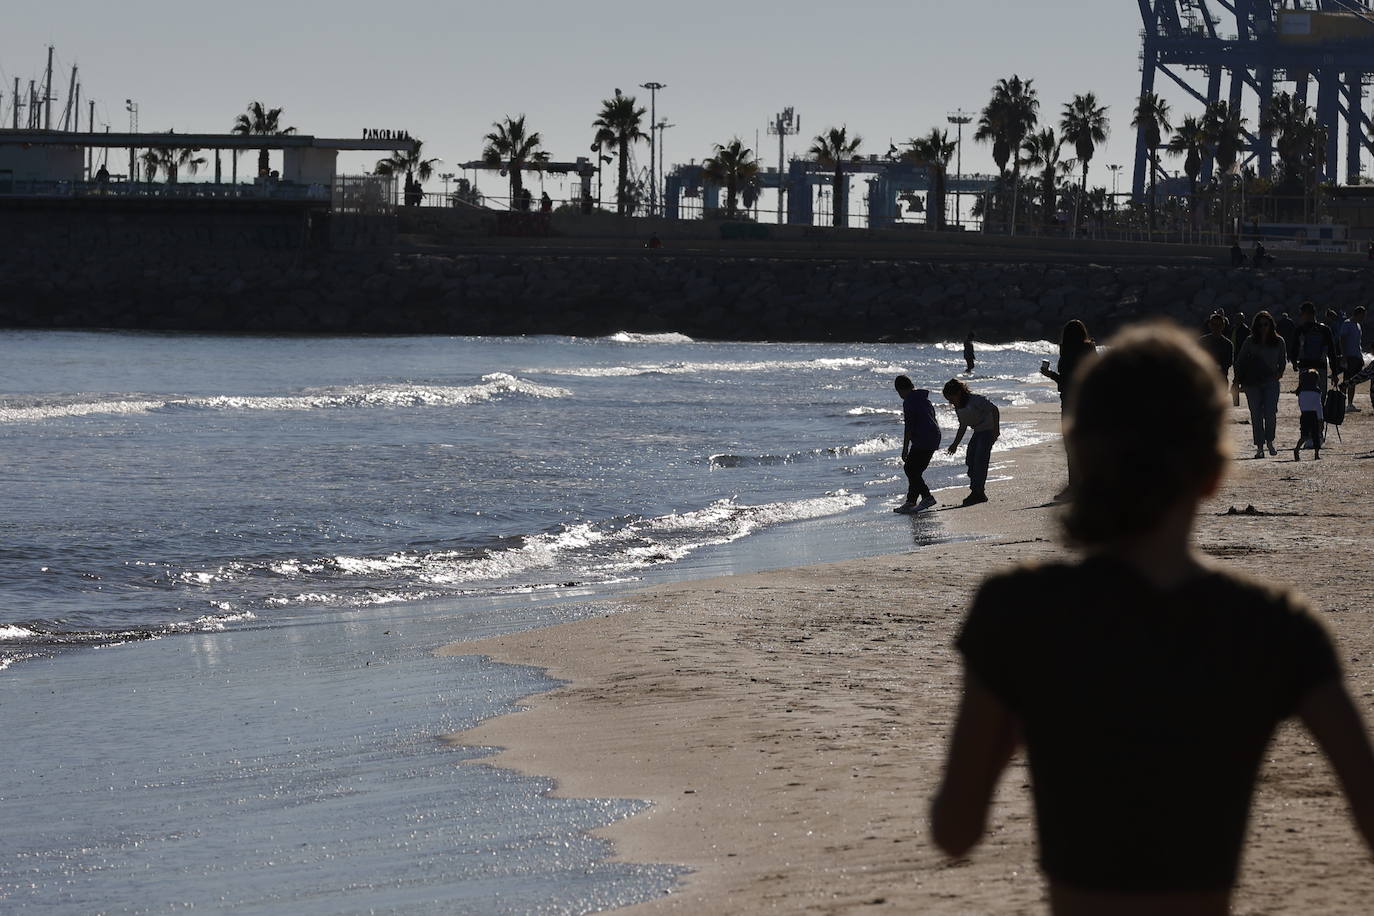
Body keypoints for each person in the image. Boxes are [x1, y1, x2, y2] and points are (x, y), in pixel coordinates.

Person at [930, 323, 1374, 915]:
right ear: (1214, 473)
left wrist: (1019, 719)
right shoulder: (1276, 627)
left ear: (1081, 454)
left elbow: (955, 830)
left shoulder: (1018, 612)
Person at [1040, 319, 1097, 500]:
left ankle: (1075, 487)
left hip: (1069, 402)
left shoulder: (1066, 352)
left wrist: (1050, 375)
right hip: (1087, 401)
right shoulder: (1089, 349)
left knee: (1071, 444)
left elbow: (1065, 381)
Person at [1234, 310, 1286, 458]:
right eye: (1260, 324)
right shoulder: (1250, 341)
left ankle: (1270, 441)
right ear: (1255, 326)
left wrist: (1279, 374)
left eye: (1266, 324)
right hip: (1252, 383)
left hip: (1271, 382)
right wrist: (1237, 380)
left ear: (1271, 325)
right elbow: (1240, 361)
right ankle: (1260, 447)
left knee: (1270, 413)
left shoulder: (1279, 341)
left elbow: (1282, 362)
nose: (1263, 327)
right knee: (1256, 414)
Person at [942, 378, 1000, 506]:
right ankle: (978, 490)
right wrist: (955, 444)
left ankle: (977, 492)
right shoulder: (958, 407)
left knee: (980, 460)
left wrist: (996, 430)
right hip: (978, 431)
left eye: (951, 398)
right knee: (970, 460)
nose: (950, 402)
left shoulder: (975, 400)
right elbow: (963, 425)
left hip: (987, 430)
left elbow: (994, 409)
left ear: (958, 393)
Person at [893, 376, 941, 514]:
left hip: (923, 438)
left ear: (901, 390)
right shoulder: (923, 398)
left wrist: (905, 448)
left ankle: (927, 497)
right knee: (914, 471)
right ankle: (911, 501)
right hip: (933, 436)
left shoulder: (909, 401)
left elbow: (909, 426)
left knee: (910, 469)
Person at [1288, 301, 1338, 394]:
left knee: (1306, 395)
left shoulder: (1300, 329)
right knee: (1321, 396)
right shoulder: (1325, 329)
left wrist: (1294, 362)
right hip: (1321, 366)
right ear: (1314, 313)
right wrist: (1334, 373)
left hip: (1304, 366)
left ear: (1304, 314)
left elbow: (1294, 348)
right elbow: (1332, 352)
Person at [1294, 367, 1324, 461]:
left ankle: (1297, 450)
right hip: (1314, 415)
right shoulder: (1316, 391)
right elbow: (1318, 406)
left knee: (1304, 436)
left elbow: (1301, 404)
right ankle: (1316, 454)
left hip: (1304, 414)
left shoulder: (1301, 391)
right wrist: (1321, 418)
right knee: (1316, 435)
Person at [1342, 306, 1369, 410]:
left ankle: (1350, 404)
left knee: (1353, 381)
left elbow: (1358, 343)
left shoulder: (1358, 325)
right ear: (1358, 314)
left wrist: (1361, 356)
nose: (1364, 318)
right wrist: (1344, 357)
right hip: (1349, 357)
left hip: (1356, 357)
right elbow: (1342, 340)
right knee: (1347, 381)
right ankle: (1342, 403)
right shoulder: (1347, 323)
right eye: (1363, 315)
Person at [1198, 312, 1233, 382]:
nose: (1216, 327)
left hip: (1220, 381)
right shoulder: (1202, 341)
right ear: (1209, 325)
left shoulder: (1228, 344)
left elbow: (1228, 363)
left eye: (1219, 325)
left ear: (1223, 326)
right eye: (1214, 324)